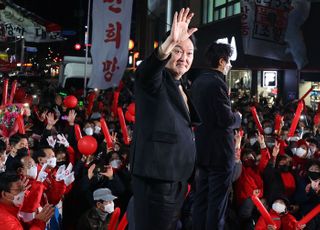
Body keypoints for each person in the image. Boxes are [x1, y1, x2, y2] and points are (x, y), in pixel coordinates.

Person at [130, 7, 201, 230]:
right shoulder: (154, 81)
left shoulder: (181, 85)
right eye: (178, 51)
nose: (184, 58)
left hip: (176, 178)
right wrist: (168, 43)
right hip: (157, 179)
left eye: (189, 53)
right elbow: (146, 72)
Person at [191, 41, 242, 230]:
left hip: (202, 149)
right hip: (220, 152)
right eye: (228, 62)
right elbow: (225, 119)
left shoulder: (198, 82)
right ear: (221, 61)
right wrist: (238, 117)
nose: (230, 65)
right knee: (217, 203)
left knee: (201, 199)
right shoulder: (217, 83)